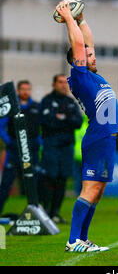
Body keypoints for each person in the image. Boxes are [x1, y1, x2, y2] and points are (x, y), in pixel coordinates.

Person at [56, 1, 118, 252]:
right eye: (87, 55)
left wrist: (81, 19)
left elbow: (87, 43)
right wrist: (68, 20)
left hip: (107, 139)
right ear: (77, 60)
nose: (93, 56)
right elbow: (80, 45)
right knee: (89, 190)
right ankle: (73, 241)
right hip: (97, 139)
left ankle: (82, 239)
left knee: (98, 192)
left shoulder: (93, 74)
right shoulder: (79, 76)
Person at [40, 74, 82, 224]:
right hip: (51, 146)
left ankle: (55, 212)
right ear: (54, 84)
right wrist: (66, 121)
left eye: (66, 82)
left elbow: (78, 122)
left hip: (66, 147)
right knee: (49, 178)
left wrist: (61, 118)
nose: (64, 85)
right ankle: (46, 212)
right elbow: (46, 122)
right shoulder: (47, 101)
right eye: (60, 82)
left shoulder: (71, 102)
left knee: (62, 179)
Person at [0, 80, 40, 215]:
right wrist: (9, 142)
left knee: (33, 184)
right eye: (23, 89)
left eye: (28, 89)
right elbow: (1, 127)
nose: (26, 92)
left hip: (31, 151)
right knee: (6, 183)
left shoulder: (35, 107)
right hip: (14, 152)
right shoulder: (11, 107)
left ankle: (36, 213)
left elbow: (41, 129)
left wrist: (38, 143)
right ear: (17, 90)